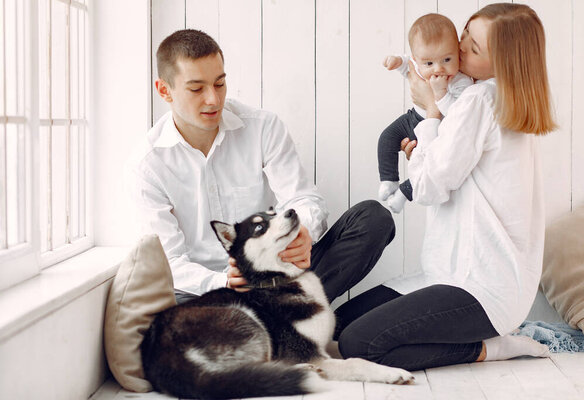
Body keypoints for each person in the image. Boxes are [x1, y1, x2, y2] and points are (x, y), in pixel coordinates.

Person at [335, 3, 556, 371]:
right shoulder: (497, 101)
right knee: (341, 323)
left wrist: (429, 116)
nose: (460, 45)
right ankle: (484, 339)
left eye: (474, 47)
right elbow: (444, 169)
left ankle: (490, 349)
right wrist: (428, 141)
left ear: (504, 62)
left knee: (358, 344)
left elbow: (430, 188)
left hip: (479, 287)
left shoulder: (481, 99)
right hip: (458, 276)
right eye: (465, 34)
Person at [125, 29, 395, 305]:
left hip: (278, 279)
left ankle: (281, 322)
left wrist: (301, 233)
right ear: (164, 90)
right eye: (196, 89)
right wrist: (225, 282)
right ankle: (289, 324)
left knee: (373, 219)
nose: (213, 100)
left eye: (219, 84)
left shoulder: (262, 127)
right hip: (209, 295)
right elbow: (169, 261)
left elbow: (303, 198)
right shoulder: (148, 165)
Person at [378, 13, 473, 213]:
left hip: (440, 129)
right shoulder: (420, 66)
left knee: (429, 166)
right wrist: (397, 62)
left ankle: (404, 194)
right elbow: (408, 66)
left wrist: (439, 94)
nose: (438, 69)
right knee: (387, 138)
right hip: (413, 118)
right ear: (418, 60)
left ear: (458, 52)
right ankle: (389, 180)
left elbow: (456, 114)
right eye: (429, 63)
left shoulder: (461, 81)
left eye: (447, 59)